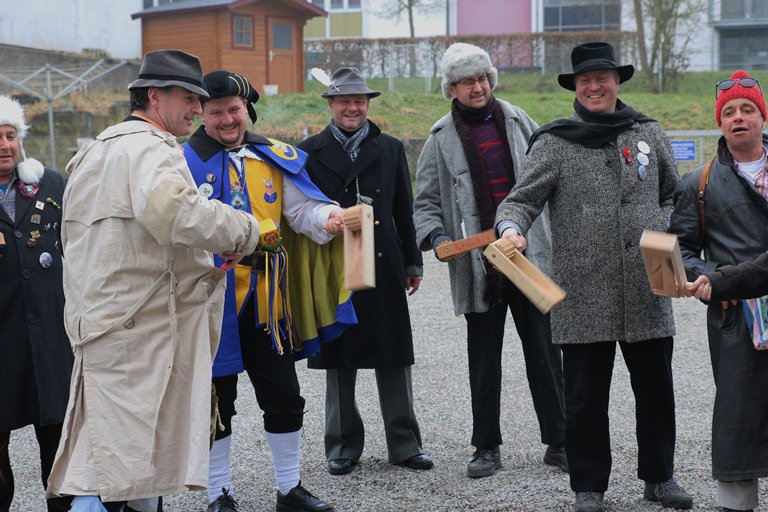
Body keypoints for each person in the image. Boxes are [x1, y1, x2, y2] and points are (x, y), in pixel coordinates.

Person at [45, 50, 265, 512]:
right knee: (124, 459)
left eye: (198, 100)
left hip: (104, 322)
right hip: (141, 325)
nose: (196, 110)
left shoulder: (97, 148)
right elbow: (175, 212)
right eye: (187, 98)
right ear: (153, 97)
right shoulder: (150, 147)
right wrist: (244, 229)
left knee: (115, 454)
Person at [495, 42, 692, 511]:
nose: (595, 86)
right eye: (586, 80)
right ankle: (589, 486)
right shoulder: (555, 141)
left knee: (656, 391)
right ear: (576, 87)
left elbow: (675, 193)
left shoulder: (646, 131)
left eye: (602, 77)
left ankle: (660, 478)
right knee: (584, 399)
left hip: (649, 283)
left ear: (617, 81)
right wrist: (510, 230)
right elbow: (520, 200)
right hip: (584, 291)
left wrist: (661, 230)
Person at [184, 70, 347, 512]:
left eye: (234, 110)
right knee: (218, 399)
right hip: (210, 303)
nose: (227, 120)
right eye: (215, 113)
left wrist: (328, 218)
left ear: (246, 110)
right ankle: (218, 494)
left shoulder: (274, 157)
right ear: (201, 114)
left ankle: (289, 489)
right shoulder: (180, 162)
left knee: (283, 396)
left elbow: (304, 211)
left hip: (267, 302)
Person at [412, 42, 567, 479]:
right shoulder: (439, 138)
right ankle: (486, 447)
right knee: (483, 359)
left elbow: (552, 181)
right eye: (466, 81)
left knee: (545, 353)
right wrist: (439, 236)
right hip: (479, 264)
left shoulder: (520, 122)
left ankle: (559, 441)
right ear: (452, 89)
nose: (477, 87)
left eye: (482, 78)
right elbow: (424, 204)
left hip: (527, 253)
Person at [298, 67, 432, 476]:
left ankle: (405, 444)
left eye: (359, 101)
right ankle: (341, 444)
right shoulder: (309, 149)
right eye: (344, 101)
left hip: (383, 262)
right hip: (335, 264)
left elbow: (402, 211)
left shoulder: (390, 148)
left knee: (393, 353)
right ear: (331, 105)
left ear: (368, 104)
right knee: (340, 355)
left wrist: (412, 261)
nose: (352, 108)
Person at [669, 69, 768, 512]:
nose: (739, 117)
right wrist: (708, 278)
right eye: (729, 112)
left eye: (748, 109)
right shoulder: (699, 184)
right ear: (720, 123)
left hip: (737, 288)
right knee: (737, 410)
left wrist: (724, 277)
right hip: (735, 316)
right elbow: (683, 249)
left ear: (763, 117)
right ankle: (736, 504)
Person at [0, 95, 73, 512]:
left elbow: (78, 245)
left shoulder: (50, 183)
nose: (4, 145)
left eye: (11, 136)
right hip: (2, 342)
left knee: (60, 447)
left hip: (50, 338)